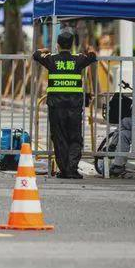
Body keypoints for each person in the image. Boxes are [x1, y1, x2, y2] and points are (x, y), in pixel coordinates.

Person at [33, 30, 97, 179]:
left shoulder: (51, 59)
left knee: (59, 137)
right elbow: (92, 56)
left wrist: (44, 50)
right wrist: (88, 49)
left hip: (56, 106)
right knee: (75, 137)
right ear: (72, 45)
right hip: (74, 106)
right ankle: (72, 169)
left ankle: (64, 170)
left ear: (58, 45)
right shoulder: (79, 59)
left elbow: (36, 54)